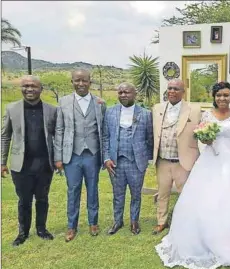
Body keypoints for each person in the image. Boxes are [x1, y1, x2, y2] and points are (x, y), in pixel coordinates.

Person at [155, 81, 230, 269]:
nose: (222, 98)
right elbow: (201, 137)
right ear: (214, 97)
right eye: (219, 95)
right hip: (209, 160)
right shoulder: (207, 115)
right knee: (207, 199)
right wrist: (205, 138)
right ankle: (203, 238)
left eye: (226, 95)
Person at [1, 75, 57, 246]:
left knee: (42, 199)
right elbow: (5, 136)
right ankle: (23, 232)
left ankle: (41, 229)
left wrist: (59, 159)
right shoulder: (11, 109)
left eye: (33, 86)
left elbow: (58, 135)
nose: (29, 89)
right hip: (21, 165)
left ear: (41, 89)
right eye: (25, 86)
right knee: (24, 200)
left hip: (44, 164)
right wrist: (2, 162)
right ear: (21, 88)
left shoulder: (52, 110)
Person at [54, 69, 106, 242]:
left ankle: (93, 222)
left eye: (84, 80)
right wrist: (58, 157)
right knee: (73, 190)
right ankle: (71, 226)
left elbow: (103, 130)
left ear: (90, 82)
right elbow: (59, 130)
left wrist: (104, 155)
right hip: (72, 155)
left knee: (93, 189)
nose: (81, 84)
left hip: (92, 154)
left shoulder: (99, 102)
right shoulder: (64, 102)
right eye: (77, 80)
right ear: (72, 82)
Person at [151, 79, 202, 235]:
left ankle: (186, 222)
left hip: (183, 161)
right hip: (163, 160)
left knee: (186, 194)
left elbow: (202, 132)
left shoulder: (195, 110)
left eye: (176, 89)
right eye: (169, 88)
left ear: (183, 92)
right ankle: (161, 221)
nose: (172, 91)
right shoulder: (157, 108)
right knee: (163, 193)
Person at [102, 83, 153, 235]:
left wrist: (146, 160)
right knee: (118, 194)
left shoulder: (145, 114)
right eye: (120, 92)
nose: (123, 95)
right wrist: (106, 158)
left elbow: (149, 138)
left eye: (127, 92)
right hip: (115, 162)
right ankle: (117, 221)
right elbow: (105, 137)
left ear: (134, 94)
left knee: (136, 194)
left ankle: (134, 221)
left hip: (136, 162)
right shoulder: (110, 113)